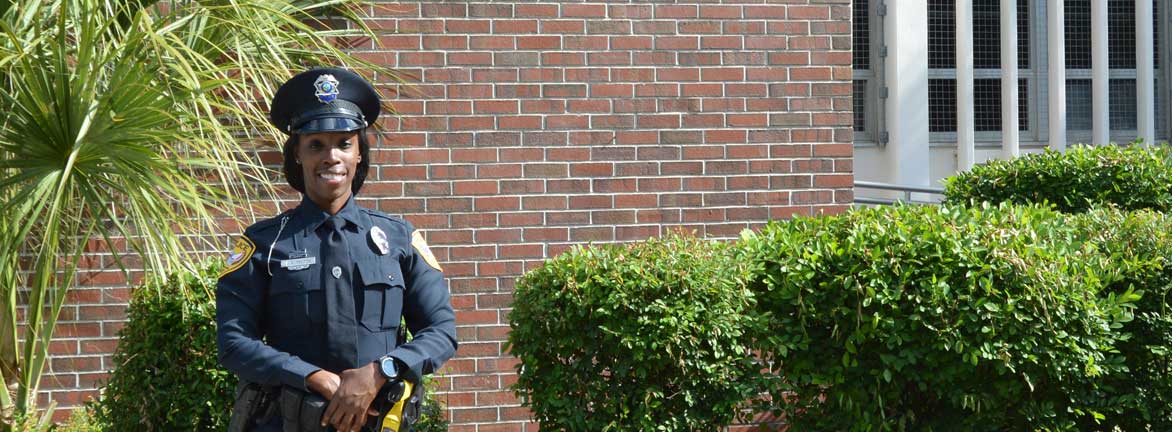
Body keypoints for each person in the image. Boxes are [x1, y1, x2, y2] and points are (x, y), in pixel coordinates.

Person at [217, 67, 457, 432]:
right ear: (297, 154)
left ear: (360, 153)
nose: (331, 156)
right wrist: (312, 377)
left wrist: (381, 371)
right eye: (316, 144)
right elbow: (233, 342)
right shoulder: (264, 244)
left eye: (344, 143)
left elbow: (441, 331)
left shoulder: (399, 239)